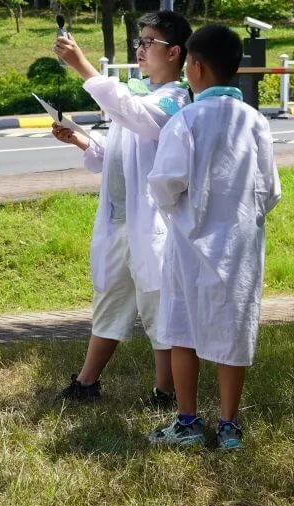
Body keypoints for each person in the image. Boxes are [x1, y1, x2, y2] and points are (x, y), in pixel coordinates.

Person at [145, 24, 282, 449]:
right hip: (239, 248)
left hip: (189, 244)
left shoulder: (186, 120)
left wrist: (180, 211)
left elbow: (164, 183)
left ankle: (187, 421)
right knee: (233, 330)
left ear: (195, 67)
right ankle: (228, 425)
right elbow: (270, 190)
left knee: (182, 330)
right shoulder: (255, 121)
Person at [49, 11, 192, 406]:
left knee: (157, 305)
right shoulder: (140, 93)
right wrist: (81, 140)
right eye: (138, 42)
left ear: (174, 52)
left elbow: (138, 119)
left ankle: (165, 392)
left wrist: (82, 65)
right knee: (111, 298)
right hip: (120, 219)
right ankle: (86, 383)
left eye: (149, 42)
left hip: (152, 223)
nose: (140, 49)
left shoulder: (176, 99)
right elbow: (118, 150)